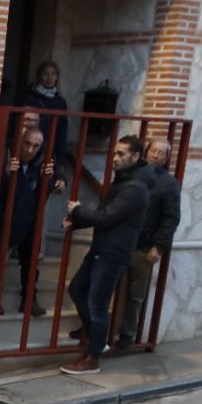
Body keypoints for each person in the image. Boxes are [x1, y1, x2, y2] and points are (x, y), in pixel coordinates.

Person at [60, 134, 150, 375]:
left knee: (97, 303)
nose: (115, 158)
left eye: (121, 154)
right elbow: (105, 215)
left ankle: (93, 357)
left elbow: (107, 217)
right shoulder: (122, 183)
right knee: (78, 289)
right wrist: (76, 223)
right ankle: (96, 340)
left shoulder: (135, 188)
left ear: (136, 156)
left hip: (113, 253)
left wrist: (78, 211)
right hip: (101, 249)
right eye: (115, 153)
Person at [115, 136, 182, 350]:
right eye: (154, 150)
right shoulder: (130, 173)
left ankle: (127, 334)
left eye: (163, 152)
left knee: (135, 294)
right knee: (106, 286)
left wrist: (159, 247)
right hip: (121, 240)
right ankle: (95, 328)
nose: (157, 154)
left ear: (167, 157)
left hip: (144, 245)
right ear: (146, 151)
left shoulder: (169, 183)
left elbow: (171, 218)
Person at [0, 125, 55, 318]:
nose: (30, 150)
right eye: (27, 143)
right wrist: (6, 174)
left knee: (0, 265)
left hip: (15, 228)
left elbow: (40, 198)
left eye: (35, 146)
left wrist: (47, 179)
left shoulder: (37, 168)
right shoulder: (6, 159)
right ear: (20, 141)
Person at [21, 60, 72, 191]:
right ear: (39, 76)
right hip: (28, 149)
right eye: (45, 74)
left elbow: (62, 132)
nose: (50, 78)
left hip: (48, 153)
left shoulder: (60, 102)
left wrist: (60, 163)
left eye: (53, 74)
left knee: (43, 190)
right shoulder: (29, 98)